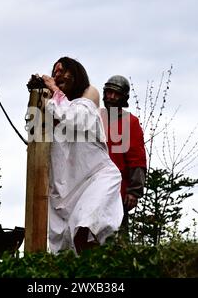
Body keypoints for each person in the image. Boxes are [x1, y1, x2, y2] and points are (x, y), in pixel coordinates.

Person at [41, 57, 123, 254]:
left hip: (96, 178)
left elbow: (72, 118)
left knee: (88, 227)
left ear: (75, 74)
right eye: (54, 72)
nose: (57, 75)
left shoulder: (86, 101)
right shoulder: (53, 108)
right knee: (69, 249)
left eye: (62, 71)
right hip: (66, 192)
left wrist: (54, 90)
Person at [101, 75, 147, 240]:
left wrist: (134, 191)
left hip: (118, 192)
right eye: (109, 93)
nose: (112, 97)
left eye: (117, 94)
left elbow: (137, 159)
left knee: (117, 239)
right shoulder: (96, 118)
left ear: (124, 98)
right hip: (94, 189)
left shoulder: (130, 122)